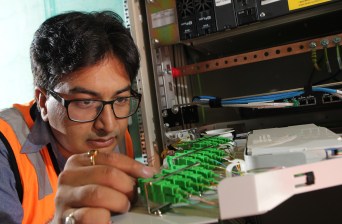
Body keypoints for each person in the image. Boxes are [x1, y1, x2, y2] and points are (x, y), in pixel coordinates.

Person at [0, 11, 156, 224]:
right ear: (44, 102)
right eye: (86, 102)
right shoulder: (5, 150)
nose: (109, 125)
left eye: (120, 99)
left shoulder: (116, 139)